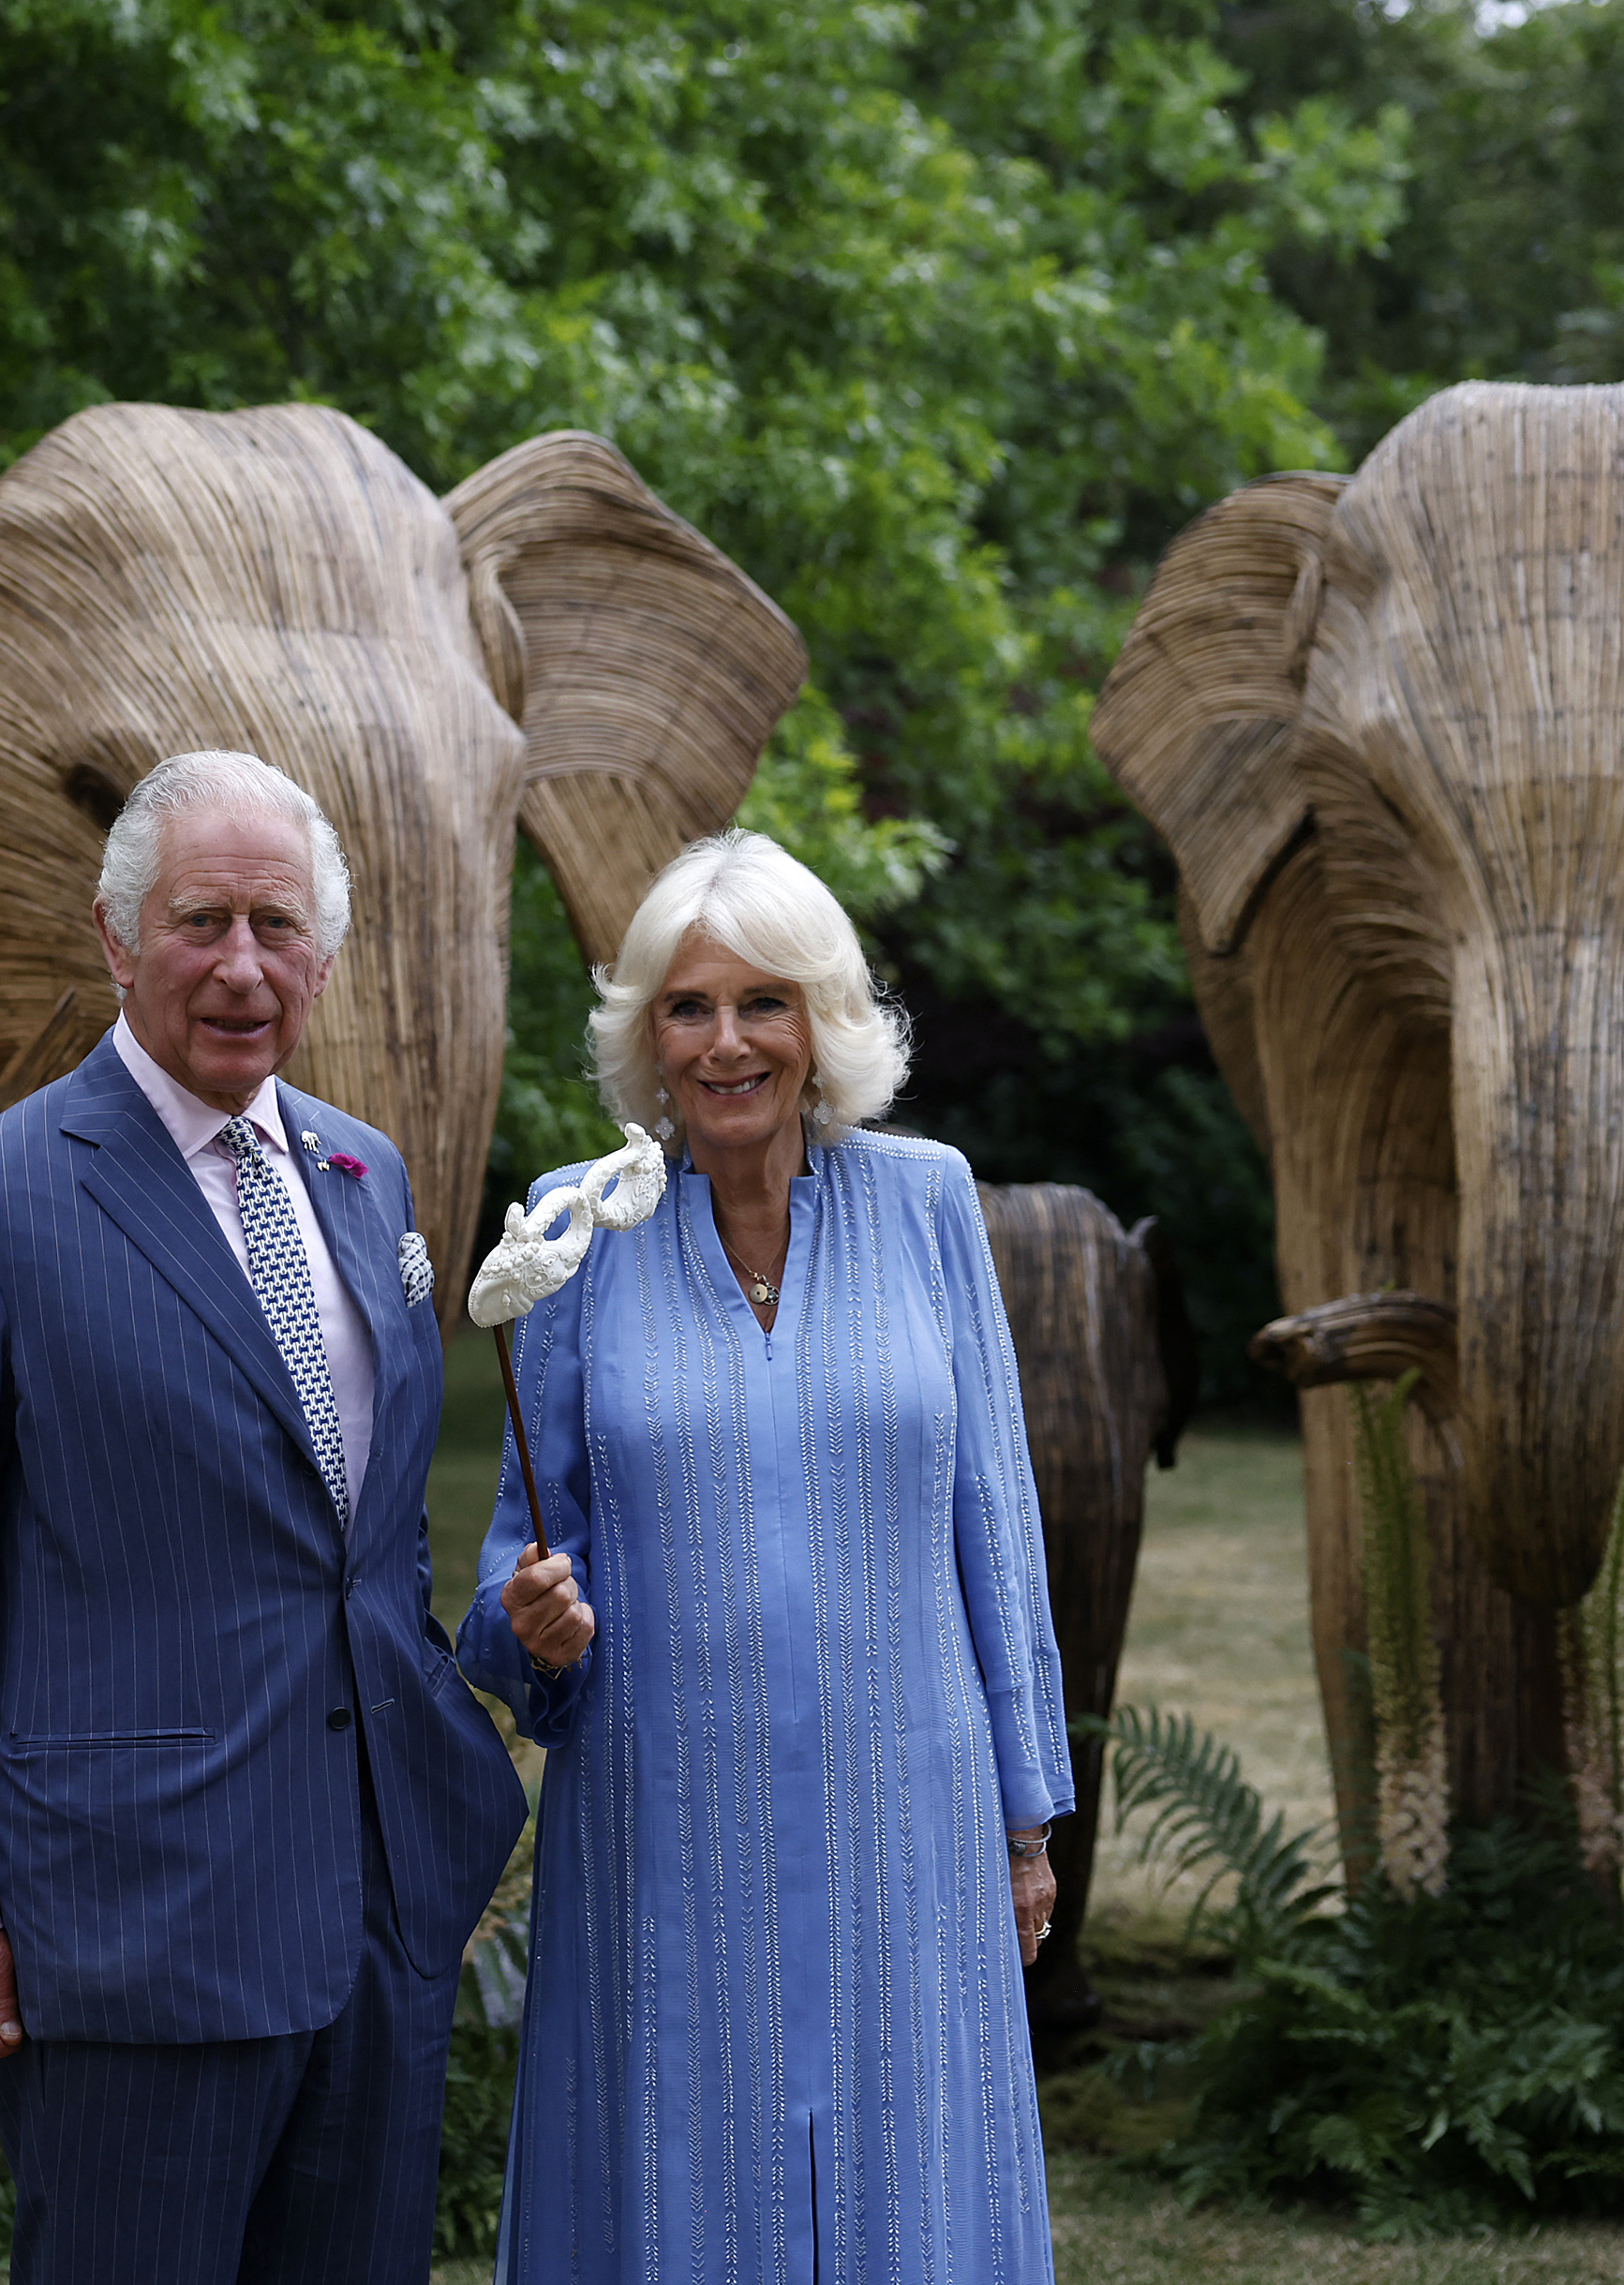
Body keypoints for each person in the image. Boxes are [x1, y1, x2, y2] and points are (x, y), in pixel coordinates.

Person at [0, 749, 530, 2283]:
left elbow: (373, 1531)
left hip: (377, 1906)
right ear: (115, 937)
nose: (240, 965)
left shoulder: (368, 1174)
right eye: (199, 920)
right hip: (132, 1920)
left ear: (326, 955)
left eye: (276, 925)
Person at [455, 828, 1073, 2284]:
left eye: (763, 1003)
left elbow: (997, 1518)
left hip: (910, 1820)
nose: (727, 1040)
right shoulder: (570, 1234)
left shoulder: (927, 1202)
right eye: (688, 1007)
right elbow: (509, 1573)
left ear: (823, 1025)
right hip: (666, 1832)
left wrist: (1026, 1820)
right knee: (681, 2178)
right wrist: (528, 1622)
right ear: (647, 1039)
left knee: (908, 2177)